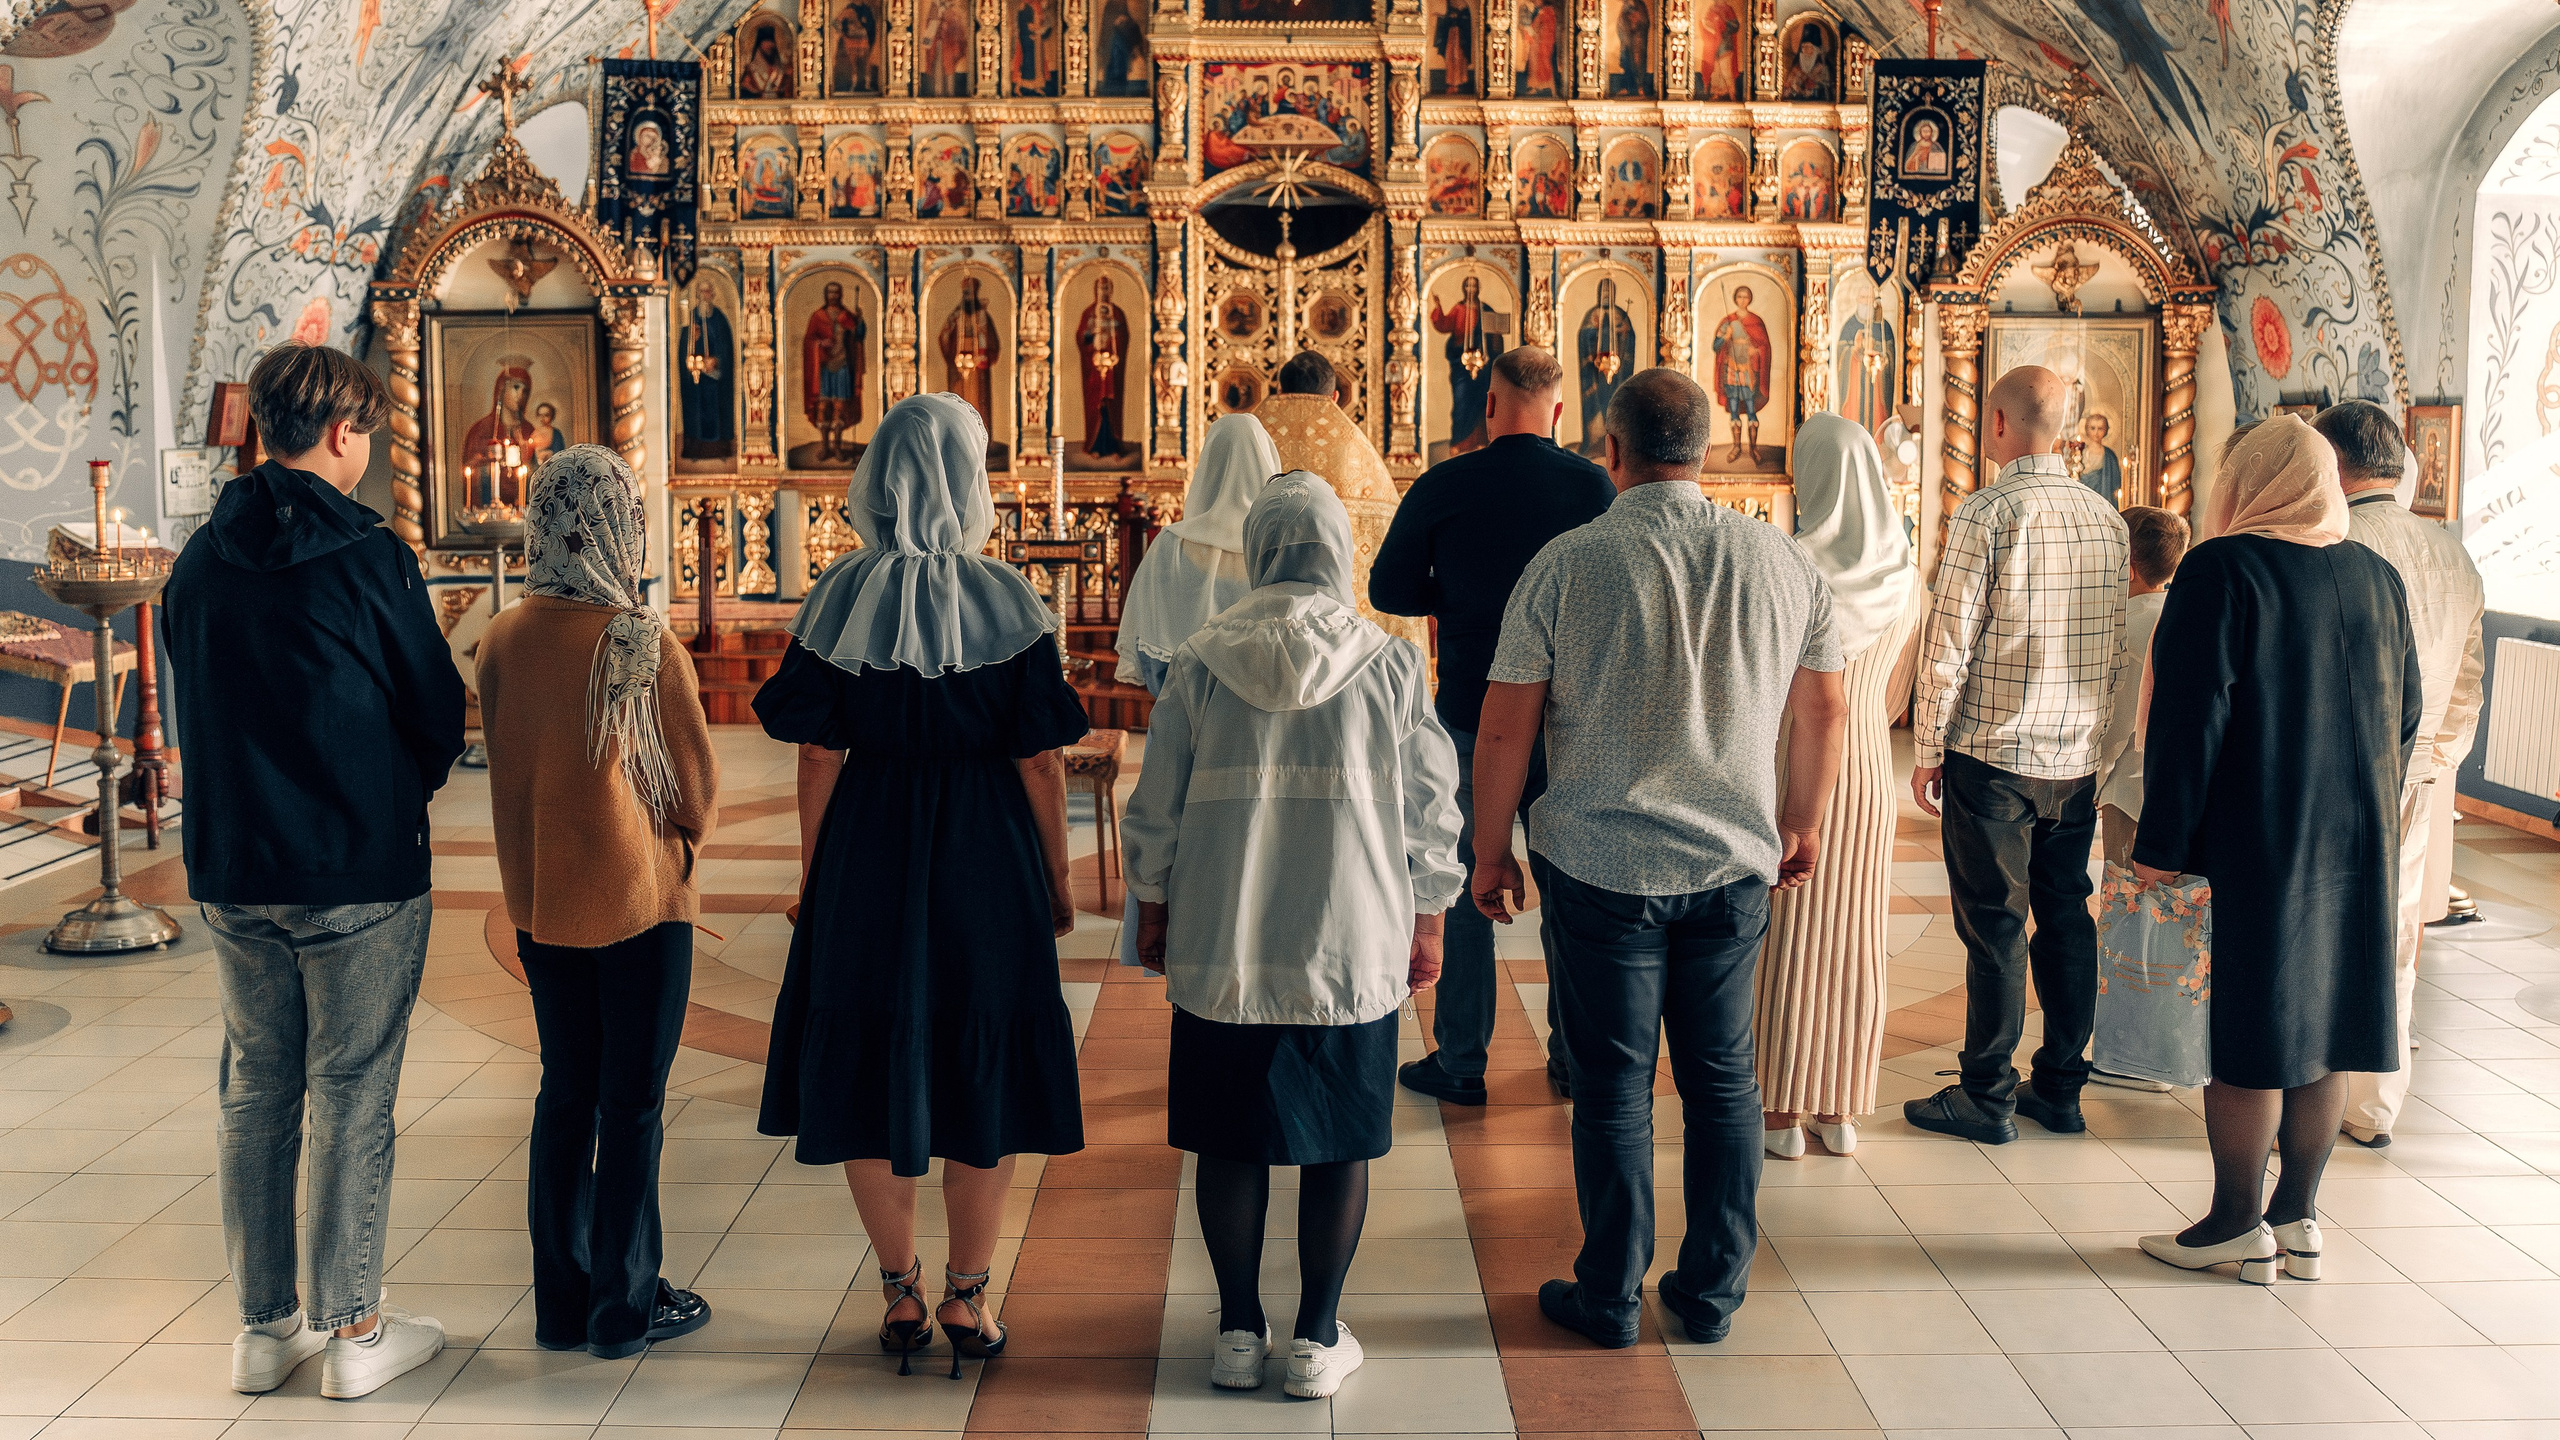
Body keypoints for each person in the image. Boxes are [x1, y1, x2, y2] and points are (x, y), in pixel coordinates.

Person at [1473, 369, 1848, 1347]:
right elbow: (1825, 708)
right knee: (1723, 1084)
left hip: (1599, 864)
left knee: (1611, 1088)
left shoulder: (1567, 562)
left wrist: (1489, 851)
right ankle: (1711, 1294)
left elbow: (1506, 727)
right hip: (1729, 862)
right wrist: (1802, 820)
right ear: (1709, 448)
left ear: (1612, 450)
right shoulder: (1779, 559)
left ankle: (1608, 1296)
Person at [754, 394, 1088, 1377]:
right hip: (987, 849)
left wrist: (816, 875)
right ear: (969, 480)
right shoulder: (1010, 599)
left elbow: (818, 752)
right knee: (984, 1052)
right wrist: (1055, 878)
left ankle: (899, 1288)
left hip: (869, 841)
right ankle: (967, 1295)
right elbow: (1039, 760)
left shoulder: (838, 596)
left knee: (867, 1053)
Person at [1123, 474, 1465, 1399]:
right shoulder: (1388, 663)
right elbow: (1432, 810)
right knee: (1339, 1141)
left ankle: (1238, 1331)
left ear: (1260, 550)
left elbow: (1156, 808)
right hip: (1349, 938)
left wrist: (1152, 906)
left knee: (1227, 1139)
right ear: (1338, 552)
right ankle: (1315, 1337)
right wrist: (1429, 914)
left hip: (1225, 937)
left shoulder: (1201, 659)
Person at [166, 342, 465, 1399]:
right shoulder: (368, 556)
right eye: (367, 432)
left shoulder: (200, 558)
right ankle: (356, 1331)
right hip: (352, 867)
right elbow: (435, 709)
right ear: (342, 431)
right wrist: (388, 789)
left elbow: (192, 694)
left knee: (256, 1088)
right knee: (350, 1091)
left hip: (233, 864)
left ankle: (263, 1330)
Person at [2132, 416, 2422, 1285]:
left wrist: (2162, 843)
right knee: (2324, 1026)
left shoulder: (2224, 569)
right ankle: (2297, 1219)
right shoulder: (2376, 575)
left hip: (2255, 834)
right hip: (2357, 839)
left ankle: (2233, 1221)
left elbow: (2191, 720)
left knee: (2250, 1025)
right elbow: (2405, 712)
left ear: (2247, 483)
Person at [478, 445, 721, 1358]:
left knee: (566, 1093)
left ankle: (561, 1301)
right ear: (620, 525)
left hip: (541, 905)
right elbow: (694, 791)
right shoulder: (636, 640)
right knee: (632, 1106)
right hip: (636, 909)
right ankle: (623, 1308)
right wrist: (679, 845)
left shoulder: (502, 637)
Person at [1371, 346, 1613, 1103]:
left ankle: (1461, 1059)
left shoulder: (1446, 482)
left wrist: (1455, 592)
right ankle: (1572, 1059)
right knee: (1570, 886)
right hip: (1569, 723)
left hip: (1472, 714)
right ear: (1560, 411)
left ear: (1489, 405)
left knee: (1466, 880)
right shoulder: (1593, 485)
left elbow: (1388, 588)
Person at [1903, 365, 2128, 1146]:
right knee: (2066, 918)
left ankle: (1986, 1095)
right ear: (2063, 427)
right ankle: (2060, 1090)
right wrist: (2094, 745)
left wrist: (1928, 748)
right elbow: (2113, 648)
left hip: (1994, 757)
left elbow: (1948, 647)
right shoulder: (2106, 518)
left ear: (1996, 423)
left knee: (1996, 927)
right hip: (2075, 760)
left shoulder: (1987, 512)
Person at [2315, 400, 2486, 1149]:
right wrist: (2432, 766)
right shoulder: (2453, 555)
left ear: (2333, 464)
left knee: (2318, 930)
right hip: (2414, 779)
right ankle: (2374, 1105)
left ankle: (2309, 1091)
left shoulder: (2334, 542)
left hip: (2329, 772)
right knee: (2395, 935)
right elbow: (2468, 684)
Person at [1755, 413, 1919, 1159]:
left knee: (1787, 936)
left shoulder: (1790, 565)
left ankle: (1779, 1109)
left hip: (1794, 760)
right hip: (1870, 770)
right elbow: (1899, 688)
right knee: (1854, 938)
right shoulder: (1904, 573)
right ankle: (1839, 1108)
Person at [1254, 350, 1429, 651]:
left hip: (1260, 624)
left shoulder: (1255, 435)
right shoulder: (1356, 448)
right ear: (1335, 396)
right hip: (1341, 633)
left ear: (1279, 389)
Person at [1115, 413, 1282, 695]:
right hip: (1264, 705)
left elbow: (1151, 647)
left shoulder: (1170, 544)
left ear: (1208, 466)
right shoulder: (1281, 546)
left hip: (1183, 704)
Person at [2091, 506, 2190, 868]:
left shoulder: (2129, 631)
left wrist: (2094, 780)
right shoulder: (2180, 615)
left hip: (2129, 788)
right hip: (2174, 784)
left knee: (2126, 887)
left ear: (2127, 567)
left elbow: (2118, 724)